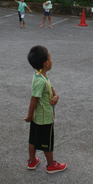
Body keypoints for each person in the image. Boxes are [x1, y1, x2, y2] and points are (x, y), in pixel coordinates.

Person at [25, 45, 67, 174]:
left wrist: (56, 95)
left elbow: (51, 86)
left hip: (38, 117)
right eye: (50, 57)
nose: (52, 60)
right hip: (44, 118)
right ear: (46, 63)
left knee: (33, 139)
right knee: (47, 143)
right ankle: (51, 165)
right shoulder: (40, 81)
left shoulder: (40, 76)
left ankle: (32, 161)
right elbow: (34, 99)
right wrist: (29, 115)